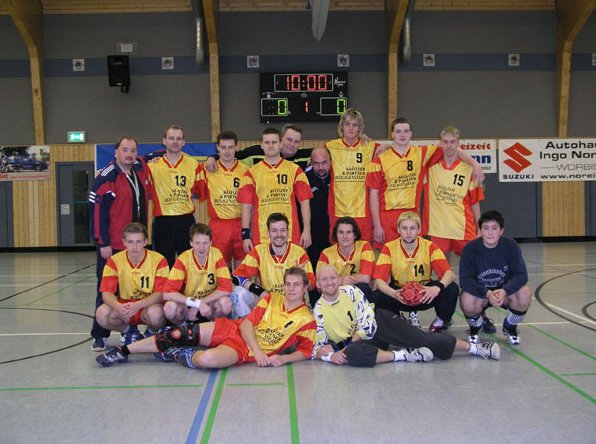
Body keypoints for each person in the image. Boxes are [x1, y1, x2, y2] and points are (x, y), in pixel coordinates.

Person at [96, 267, 316, 369]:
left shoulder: (307, 320)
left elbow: (305, 351)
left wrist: (283, 359)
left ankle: (177, 354)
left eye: (297, 285)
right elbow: (247, 324)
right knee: (179, 333)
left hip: (242, 350)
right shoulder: (272, 299)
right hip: (235, 329)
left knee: (206, 360)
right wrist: (259, 351)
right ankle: (123, 351)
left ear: (305, 288)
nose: (291, 289)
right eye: (288, 284)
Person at [312, 265, 500, 366]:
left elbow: (367, 325)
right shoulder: (318, 311)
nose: (329, 282)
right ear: (318, 284)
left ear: (338, 279)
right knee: (351, 355)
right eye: (324, 279)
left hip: (379, 324)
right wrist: (330, 356)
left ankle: (475, 348)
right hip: (360, 342)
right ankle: (403, 355)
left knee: (422, 340)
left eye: (333, 278)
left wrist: (341, 345)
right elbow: (317, 347)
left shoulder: (352, 292)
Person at [367, 118, 485, 246]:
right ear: (393, 134)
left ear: (411, 133)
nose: (402, 135)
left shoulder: (421, 153)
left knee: (413, 254)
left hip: (412, 214)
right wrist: (377, 225)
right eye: (398, 131)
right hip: (387, 217)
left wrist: (474, 164)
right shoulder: (379, 160)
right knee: (389, 255)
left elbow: (451, 149)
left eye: (406, 131)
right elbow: (373, 194)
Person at [422, 125, 494, 333]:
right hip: (438, 229)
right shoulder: (430, 165)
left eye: (453, 142)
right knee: (443, 277)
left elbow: (475, 201)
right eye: (445, 142)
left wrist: (480, 227)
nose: (449, 146)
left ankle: (480, 315)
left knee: (475, 273)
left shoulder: (468, 169)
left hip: (464, 229)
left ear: (458, 143)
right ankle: (444, 317)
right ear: (440, 143)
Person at [88, 135, 151, 351]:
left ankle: (130, 329)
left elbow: (160, 153)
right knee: (106, 289)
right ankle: (99, 335)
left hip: (136, 245)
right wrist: (102, 242)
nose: (129, 154)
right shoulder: (107, 177)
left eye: (133, 151)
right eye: (125, 150)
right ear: (116, 152)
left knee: (133, 289)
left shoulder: (139, 170)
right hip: (113, 246)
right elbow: (97, 212)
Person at [369, 211, 459, 333]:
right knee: (376, 297)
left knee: (451, 288)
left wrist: (437, 288)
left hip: (425, 293)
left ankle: (439, 323)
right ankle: (398, 319)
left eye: (412, 228)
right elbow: (379, 279)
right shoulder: (389, 247)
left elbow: (450, 274)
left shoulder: (430, 246)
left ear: (419, 230)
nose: (408, 232)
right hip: (400, 294)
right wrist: (393, 293)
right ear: (398, 229)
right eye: (404, 228)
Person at [459, 210, 532, 345]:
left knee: (524, 293)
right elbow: (465, 280)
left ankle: (510, 326)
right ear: (480, 231)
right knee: (466, 299)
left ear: (501, 231)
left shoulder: (510, 246)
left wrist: (504, 291)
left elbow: (521, 275)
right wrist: (487, 293)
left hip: (504, 294)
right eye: (486, 228)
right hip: (482, 295)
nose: (490, 233)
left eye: (494, 228)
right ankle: (475, 328)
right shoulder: (470, 249)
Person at [237, 128, 313, 251]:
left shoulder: (295, 170)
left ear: (281, 144)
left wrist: (307, 230)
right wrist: (246, 236)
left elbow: (304, 202)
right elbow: (247, 206)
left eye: (274, 142)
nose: (270, 145)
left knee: (292, 264)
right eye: (267, 142)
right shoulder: (251, 173)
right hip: (261, 235)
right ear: (261, 145)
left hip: (290, 234)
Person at [94, 223, 169, 345]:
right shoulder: (114, 260)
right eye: (130, 242)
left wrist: (139, 305)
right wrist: (118, 306)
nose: (134, 246)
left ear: (146, 242)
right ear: (124, 242)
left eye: (138, 242)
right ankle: (129, 332)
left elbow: (161, 294)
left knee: (156, 314)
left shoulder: (159, 260)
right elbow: (106, 293)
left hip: (148, 305)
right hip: (125, 306)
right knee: (101, 314)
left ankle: (151, 332)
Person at [146, 124, 202, 267]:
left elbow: (203, 192)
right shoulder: (152, 166)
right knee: (164, 265)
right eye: (171, 138)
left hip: (186, 221)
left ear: (184, 142)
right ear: (164, 141)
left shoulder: (194, 164)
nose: (175, 141)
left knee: (189, 265)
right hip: (163, 222)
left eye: (178, 138)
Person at [324, 108, 382, 242]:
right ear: (341, 126)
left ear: (360, 128)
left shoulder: (369, 146)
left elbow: (393, 150)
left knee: (364, 250)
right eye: (347, 124)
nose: (351, 128)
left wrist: (386, 146)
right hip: (338, 210)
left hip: (363, 211)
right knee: (338, 250)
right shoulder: (330, 147)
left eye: (355, 125)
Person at [233, 213, 315, 305]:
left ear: (288, 232)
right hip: (267, 302)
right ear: (268, 233)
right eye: (274, 231)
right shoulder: (259, 252)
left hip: (292, 304)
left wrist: (303, 278)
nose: (279, 235)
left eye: (283, 230)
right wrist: (260, 292)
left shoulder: (299, 253)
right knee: (238, 293)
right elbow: (236, 276)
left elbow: (312, 286)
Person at [196, 130, 249, 268]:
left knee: (242, 269)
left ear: (236, 147)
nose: (227, 151)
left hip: (241, 223)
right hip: (219, 225)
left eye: (230, 147)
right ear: (217, 147)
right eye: (223, 147)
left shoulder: (246, 170)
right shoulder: (207, 169)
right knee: (222, 269)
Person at [161, 223, 233, 326]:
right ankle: (183, 328)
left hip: (210, 303)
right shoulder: (183, 259)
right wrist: (195, 303)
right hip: (187, 304)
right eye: (197, 243)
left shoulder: (216, 254)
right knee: (169, 308)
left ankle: (214, 326)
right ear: (191, 243)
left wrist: (201, 303)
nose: (201, 247)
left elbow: (226, 289)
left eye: (205, 243)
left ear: (211, 242)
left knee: (226, 304)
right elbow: (167, 293)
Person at [204, 124, 312, 170]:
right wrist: (212, 158)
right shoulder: (255, 152)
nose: (292, 144)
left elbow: (321, 152)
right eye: (289, 140)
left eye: (296, 141)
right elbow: (230, 155)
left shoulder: (305, 156)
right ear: (281, 139)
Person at [317, 216, 375, 293]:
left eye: (349, 232)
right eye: (341, 232)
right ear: (336, 234)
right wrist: (341, 281)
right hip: (336, 293)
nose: (345, 236)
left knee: (362, 286)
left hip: (360, 292)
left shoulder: (364, 246)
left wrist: (343, 280)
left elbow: (366, 277)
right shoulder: (326, 253)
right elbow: (319, 286)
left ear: (355, 235)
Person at [303, 146, 332, 268]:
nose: (320, 168)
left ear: (331, 161)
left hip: (334, 232)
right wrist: (305, 231)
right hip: (314, 233)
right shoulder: (305, 178)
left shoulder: (338, 175)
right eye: (316, 163)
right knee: (315, 268)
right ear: (311, 163)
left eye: (324, 163)